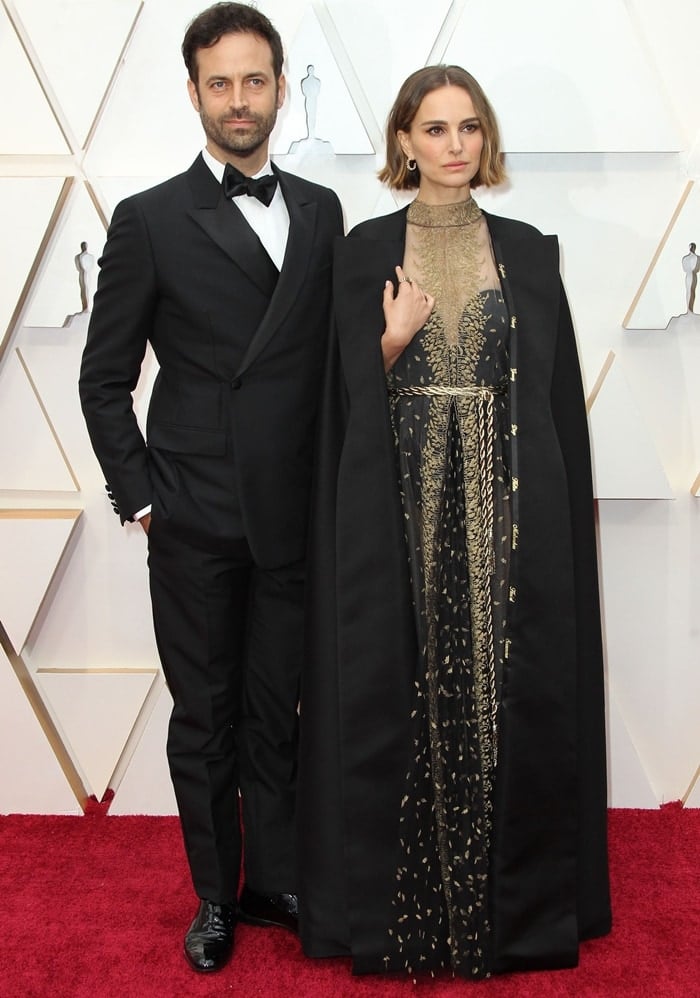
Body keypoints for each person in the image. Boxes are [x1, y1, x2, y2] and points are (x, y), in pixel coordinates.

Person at [298, 65, 611, 979]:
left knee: (499, 682)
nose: (455, 146)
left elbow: (553, 407)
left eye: (468, 128)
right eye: (433, 130)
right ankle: (407, 906)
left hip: (508, 509)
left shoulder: (529, 251)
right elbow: (334, 401)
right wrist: (387, 346)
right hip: (398, 508)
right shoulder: (362, 253)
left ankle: (508, 904)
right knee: (406, 682)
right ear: (403, 142)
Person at [79, 1, 343, 975]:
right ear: (194, 93)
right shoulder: (149, 218)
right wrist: (144, 495)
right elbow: (103, 376)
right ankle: (212, 894)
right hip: (194, 515)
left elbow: (322, 364)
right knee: (207, 717)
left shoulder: (319, 209)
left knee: (281, 711)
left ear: (279, 86)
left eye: (255, 79)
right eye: (220, 82)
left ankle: (272, 878)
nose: (239, 99)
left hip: (291, 514)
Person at [682, 242, 697, 312]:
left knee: (691, 290)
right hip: (689, 274)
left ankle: (690, 309)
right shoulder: (686, 258)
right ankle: (689, 309)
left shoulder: (696, 257)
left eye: (692, 247)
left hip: (692, 274)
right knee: (689, 290)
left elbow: (695, 267)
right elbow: (685, 268)